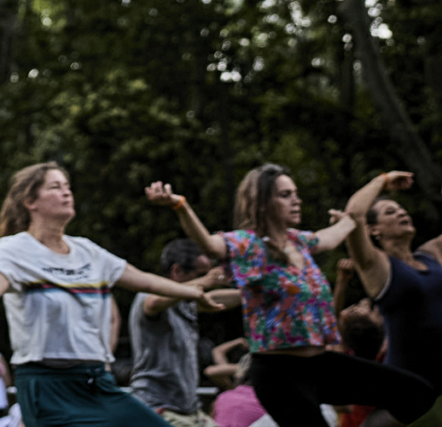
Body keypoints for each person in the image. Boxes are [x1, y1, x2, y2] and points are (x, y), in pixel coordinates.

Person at [0, 162, 210, 427]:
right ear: (30, 201)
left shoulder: (88, 251)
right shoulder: (16, 249)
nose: (66, 191)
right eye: (56, 187)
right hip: (46, 386)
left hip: (97, 382)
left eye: (67, 185)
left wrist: (194, 291)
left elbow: (145, 280)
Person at [149, 168, 438, 427]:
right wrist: (180, 206)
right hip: (279, 376)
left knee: (417, 394)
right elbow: (211, 246)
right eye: (286, 195)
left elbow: (352, 219)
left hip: (321, 364)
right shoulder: (246, 243)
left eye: (295, 194)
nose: (296, 200)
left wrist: (382, 182)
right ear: (264, 203)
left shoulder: (301, 242)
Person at [341, 171, 442, 402]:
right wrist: (383, 181)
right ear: (373, 230)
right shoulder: (376, 266)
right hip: (410, 387)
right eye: (390, 211)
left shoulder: (432, 254)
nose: (401, 212)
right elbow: (354, 215)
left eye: (401, 209)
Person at [124, 240, 236, 427]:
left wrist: (252, 295)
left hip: (189, 411)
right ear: (177, 271)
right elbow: (153, 303)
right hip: (156, 407)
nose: (204, 284)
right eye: (199, 274)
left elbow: (213, 299)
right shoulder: (148, 296)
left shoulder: (185, 301)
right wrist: (206, 280)